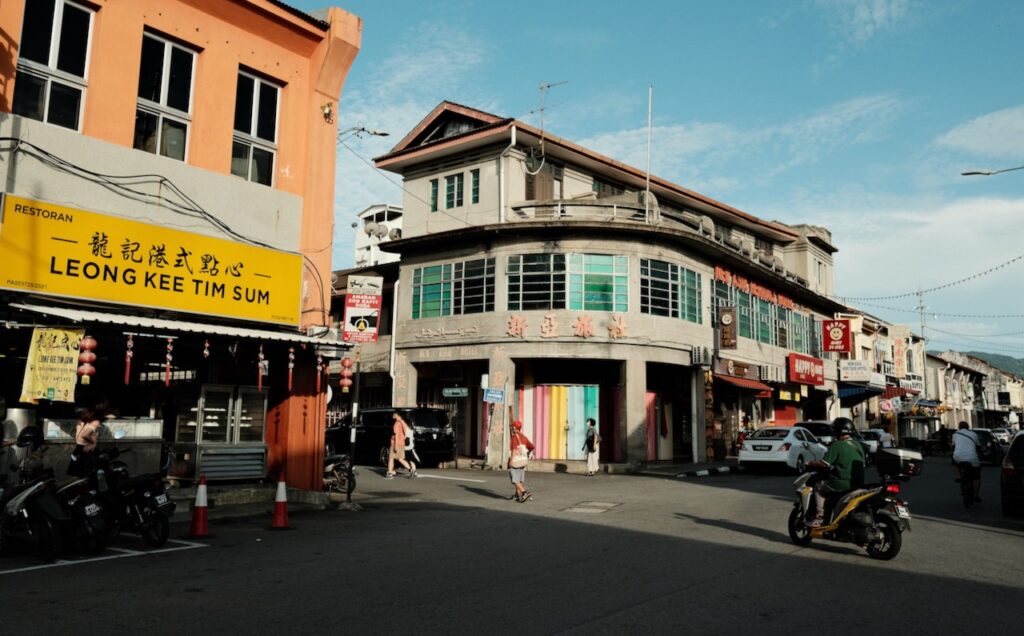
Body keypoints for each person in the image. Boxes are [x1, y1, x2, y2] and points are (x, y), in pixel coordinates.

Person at [805, 417, 866, 527]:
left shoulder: (837, 445)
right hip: (858, 484)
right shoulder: (858, 445)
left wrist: (810, 463)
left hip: (841, 484)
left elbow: (824, 464)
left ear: (838, 431)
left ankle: (820, 517)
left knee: (818, 486)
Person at [951, 421, 981, 504]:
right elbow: (978, 447)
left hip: (958, 456)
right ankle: (975, 495)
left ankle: (959, 475)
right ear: (968, 427)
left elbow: (953, 447)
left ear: (959, 427)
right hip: (972, 458)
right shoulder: (974, 434)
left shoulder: (955, 434)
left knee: (956, 462)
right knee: (976, 476)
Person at [68, 409, 103, 477]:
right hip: (84, 448)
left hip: (80, 448)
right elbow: (84, 435)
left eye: (84, 412)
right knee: (85, 473)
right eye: (82, 413)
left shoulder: (82, 421)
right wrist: (94, 442)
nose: (82, 414)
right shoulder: (93, 422)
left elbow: (80, 435)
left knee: (80, 472)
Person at [508, 420, 535, 502]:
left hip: (516, 461)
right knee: (519, 478)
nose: (512, 427)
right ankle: (517, 495)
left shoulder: (514, 437)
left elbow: (514, 450)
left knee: (514, 479)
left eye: (513, 426)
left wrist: (511, 461)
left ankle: (524, 492)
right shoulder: (524, 437)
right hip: (523, 461)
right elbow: (531, 447)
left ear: (515, 427)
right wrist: (526, 454)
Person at [385, 410, 416, 479]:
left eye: (394, 414)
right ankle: (411, 470)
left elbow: (396, 435)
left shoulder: (396, 424)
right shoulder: (403, 422)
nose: (393, 415)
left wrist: (395, 446)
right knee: (400, 459)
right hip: (402, 443)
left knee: (391, 458)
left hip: (395, 444)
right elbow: (406, 432)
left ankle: (390, 473)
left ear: (397, 415)